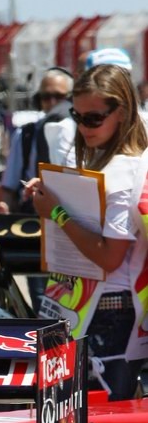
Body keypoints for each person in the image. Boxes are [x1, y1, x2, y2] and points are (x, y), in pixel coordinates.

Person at [29, 63, 148, 401]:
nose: (83, 127)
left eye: (93, 118)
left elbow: (109, 257)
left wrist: (55, 210)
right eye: (77, 116)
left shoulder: (123, 171)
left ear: (122, 112)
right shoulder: (108, 162)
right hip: (92, 306)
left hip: (111, 311)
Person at [0, 67, 74, 212]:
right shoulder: (26, 134)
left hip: (69, 213)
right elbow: (8, 187)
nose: (52, 102)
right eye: (46, 97)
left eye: (59, 96)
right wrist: (3, 208)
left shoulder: (82, 131)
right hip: (32, 217)